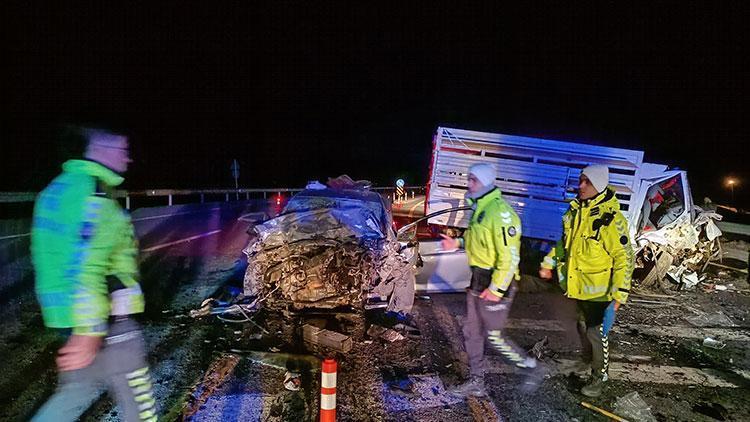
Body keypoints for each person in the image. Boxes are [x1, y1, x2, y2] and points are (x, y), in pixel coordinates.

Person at [31, 126, 157, 421]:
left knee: (74, 394)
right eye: (123, 151)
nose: (128, 160)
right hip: (108, 319)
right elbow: (86, 265)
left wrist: (79, 328)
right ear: (100, 149)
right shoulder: (95, 196)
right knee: (141, 407)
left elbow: (49, 256)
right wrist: (88, 332)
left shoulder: (55, 190)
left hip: (69, 317)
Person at [441, 163, 539, 397]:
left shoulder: (501, 213)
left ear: (485, 182)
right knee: (472, 333)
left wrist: (496, 288)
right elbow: (478, 241)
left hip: (496, 283)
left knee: (494, 336)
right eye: (469, 179)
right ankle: (477, 381)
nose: (468, 183)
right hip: (478, 280)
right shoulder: (479, 209)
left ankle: (531, 367)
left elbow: (510, 257)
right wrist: (458, 243)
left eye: (472, 179)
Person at [539, 164, 634, 398]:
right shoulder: (574, 212)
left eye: (587, 182)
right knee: (582, 328)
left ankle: (599, 375)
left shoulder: (611, 219)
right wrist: (548, 263)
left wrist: (620, 293)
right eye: (580, 180)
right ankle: (587, 359)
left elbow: (624, 257)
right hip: (577, 288)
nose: (580, 186)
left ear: (599, 185)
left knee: (595, 333)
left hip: (600, 292)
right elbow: (565, 245)